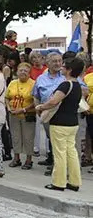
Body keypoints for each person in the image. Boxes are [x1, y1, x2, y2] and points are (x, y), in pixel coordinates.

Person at [36, 57, 84, 191]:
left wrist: (41, 107)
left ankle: (59, 182)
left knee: (60, 154)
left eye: (64, 66)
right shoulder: (77, 85)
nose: (61, 68)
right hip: (73, 123)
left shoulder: (65, 84)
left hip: (60, 123)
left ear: (69, 70)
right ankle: (75, 181)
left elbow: (53, 101)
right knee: (71, 153)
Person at [6, 63, 36, 169]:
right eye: (21, 70)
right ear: (17, 72)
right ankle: (16, 158)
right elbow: (7, 97)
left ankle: (28, 160)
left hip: (28, 114)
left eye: (26, 71)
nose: (23, 72)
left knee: (28, 138)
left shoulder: (33, 84)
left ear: (29, 73)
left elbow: (36, 101)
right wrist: (9, 108)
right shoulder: (13, 83)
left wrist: (23, 109)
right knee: (15, 137)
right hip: (13, 114)